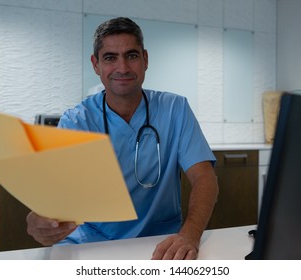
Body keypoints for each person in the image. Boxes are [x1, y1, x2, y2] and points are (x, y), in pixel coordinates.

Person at [26, 17, 219, 260]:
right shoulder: (77, 122)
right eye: (110, 58)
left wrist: (190, 234)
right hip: (92, 244)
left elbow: (204, 177)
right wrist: (40, 220)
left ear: (145, 59)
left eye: (132, 55)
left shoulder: (175, 109)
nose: (123, 68)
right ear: (96, 64)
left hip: (160, 244)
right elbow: (56, 194)